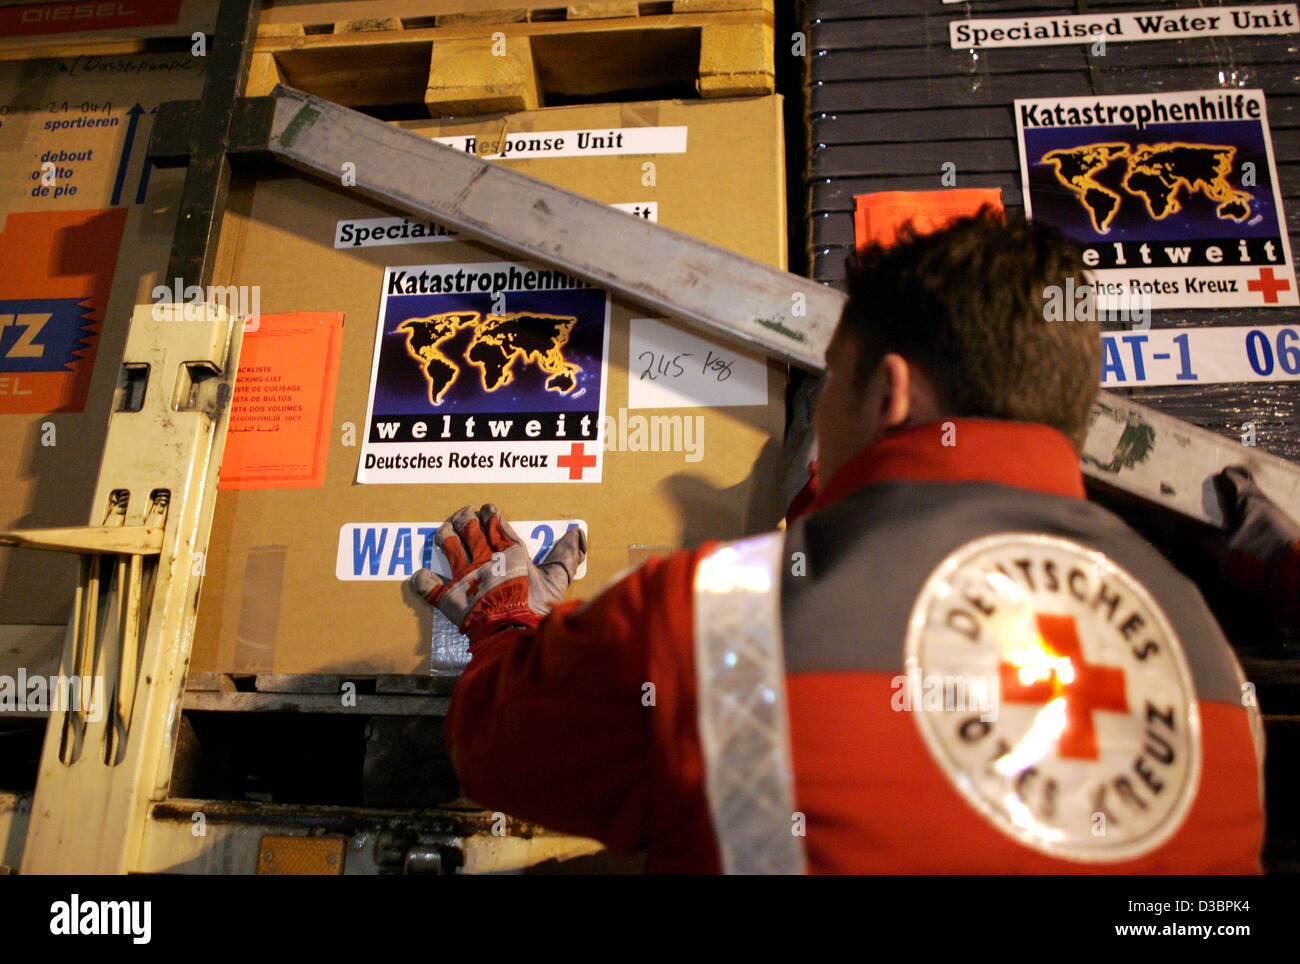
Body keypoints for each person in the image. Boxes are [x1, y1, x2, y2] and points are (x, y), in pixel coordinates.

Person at [411, 210, 1264, 873]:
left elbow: (497, 753)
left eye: (835, 386)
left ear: (890, 392)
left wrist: (501, 614)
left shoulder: (715, 621)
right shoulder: (1210, 663)